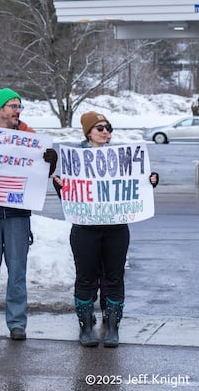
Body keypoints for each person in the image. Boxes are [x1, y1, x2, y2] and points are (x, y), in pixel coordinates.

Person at [53, 111, 159, 347]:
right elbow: (71, 197)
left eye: (108, 128)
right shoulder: (75, 159)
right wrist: (60, 186)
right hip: (85, 228)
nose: (105, 132)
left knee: (114, 277)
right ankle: (86, 327)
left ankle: (112, 327)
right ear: (88, 132)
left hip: (116, 228)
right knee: (85, 277)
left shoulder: (123, 157)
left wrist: (149, 181)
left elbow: (135, 186)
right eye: (99, 128)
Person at [0, 88, 57, 341]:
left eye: (19, 106)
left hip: (18, 213)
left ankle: (17, 323)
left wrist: (51, 161)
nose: (17, 111)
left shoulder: (29, 137)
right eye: (12, 106)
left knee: (17, 270)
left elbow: (41, 173)